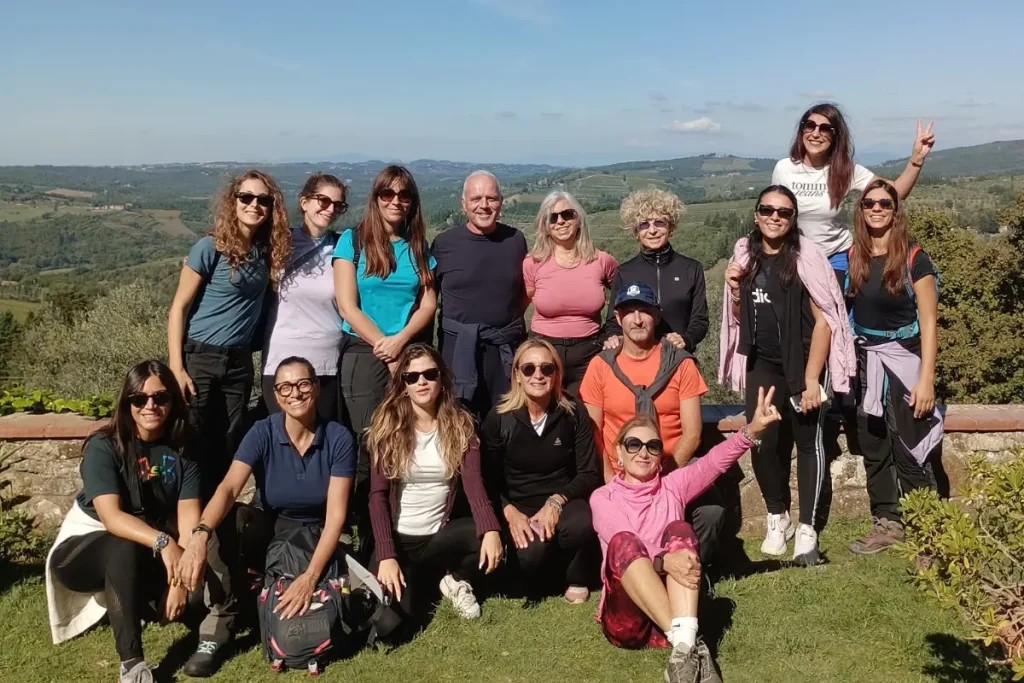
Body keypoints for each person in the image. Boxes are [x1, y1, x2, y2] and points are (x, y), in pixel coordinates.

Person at [46, 360, 235, 683]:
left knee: (191, 590)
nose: (151, 406)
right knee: (124, 547)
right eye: (139, 399)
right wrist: (165, 544)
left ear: (173, 401)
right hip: (84, 549)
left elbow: (189, 519)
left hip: (148, 547)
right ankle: (132, 665)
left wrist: (177, 584)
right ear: (127, 402)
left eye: (161, 398)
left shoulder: (184, 450)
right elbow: (112, 518)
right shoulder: (104, 446)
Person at [175, 356, 355, 670]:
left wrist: (309, 578)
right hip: (274, 529)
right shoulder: (263, 432)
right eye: (285, 386)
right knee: (228, 520)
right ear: (275, 394)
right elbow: (230, 488)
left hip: (318, 533)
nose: (294, 393)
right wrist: (200, 535)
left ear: (316, 387)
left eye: (302, 384)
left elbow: (336, 517)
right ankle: (221, 620)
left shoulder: (338, 438)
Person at [590, 390, 780, 683]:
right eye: (633, 444)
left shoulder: (673, 486)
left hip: (677, 611)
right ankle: (692, 645)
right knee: (623, 542)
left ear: (659, 456)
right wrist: (665, 560)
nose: (643, 452)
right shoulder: (603, 498)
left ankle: (682, 653)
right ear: (618, 452)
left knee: (681, 530)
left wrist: (752, 430)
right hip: (629, 623)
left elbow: (713, 462)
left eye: (652, 446)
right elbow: (622, 543)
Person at [719, 186, 855, 564]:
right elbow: (738, 314)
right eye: (768, 210)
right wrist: (733, 289)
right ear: (756, 213)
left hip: (804, 363)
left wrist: (812, 379)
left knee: (808, 443)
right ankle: (777, 516)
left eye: (784, 212)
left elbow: (826, 321)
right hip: (762, 363)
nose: (775, 217)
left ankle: (808, 527)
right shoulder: (744, 254)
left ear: (793, 218)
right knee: (760, 440)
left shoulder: (806, 257)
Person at [580, 282, 727, 567]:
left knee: (711, 511)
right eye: (629, 312)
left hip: (672, 465)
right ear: (618, 319)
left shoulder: (681, 364)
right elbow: (593, 432)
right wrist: (612, 477)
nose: (637, 319)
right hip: (619, 470)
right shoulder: (601, 366)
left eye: (644, 311)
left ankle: (694, 570)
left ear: (657, 317)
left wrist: (665, 478)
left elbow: (693, 433)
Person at [167, 169, 292, 499]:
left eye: (263, 200)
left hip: (238, 364)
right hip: (201, 357)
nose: (254, 205)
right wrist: (176, 367)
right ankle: (184, 523)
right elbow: (178, 307)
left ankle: (215, 527)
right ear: (232, 202)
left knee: (228, 444)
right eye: (246, 197)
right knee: (193, 443)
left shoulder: (267, 252)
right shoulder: (210, 248)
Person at [333, 164, 437, 556]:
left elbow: (429, 300)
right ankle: (367, 537)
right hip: (363, 353)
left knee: (406, 441)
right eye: (387, 194)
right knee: (368, 447)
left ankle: (402, 531)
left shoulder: (417, 245)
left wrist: (402, 343)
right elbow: (347, 304)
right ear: (375, 197)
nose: (396, 201)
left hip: (410, 353)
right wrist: (385, 347)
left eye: (404, 195)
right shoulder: (352, 241)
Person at [365, 344, 503, 627]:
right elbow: (377, 497)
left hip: (438, 537)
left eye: (430, 374)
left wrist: (490, 529)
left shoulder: (461, 424)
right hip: (399, 539)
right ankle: (424, 579)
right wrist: (386, 555)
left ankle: (456, 580)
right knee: (391, 626)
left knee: (490, 538)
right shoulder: (386, 426)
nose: (422, 382)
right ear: (402, 385)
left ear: (442, 379)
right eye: (412, 377)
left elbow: (474, 485)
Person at [843, 179, 945, 556]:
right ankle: (887, 522)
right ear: (861, 209)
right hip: (868, 361)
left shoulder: (915, 258)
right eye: (869, 203)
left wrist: (926, 379)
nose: (876, 209)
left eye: (885, 203)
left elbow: (930, 321)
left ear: (896, 210)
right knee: (874, 445)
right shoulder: (855, 255)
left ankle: (929, 532)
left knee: (911, 447)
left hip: (906, 362)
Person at [481, 339, 602, 603]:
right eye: (529, 369)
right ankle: (539, 573)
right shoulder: (499, 418)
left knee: (581, 523)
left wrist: (557, 501)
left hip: (562, 499)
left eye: (547, 369)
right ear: (517, 374)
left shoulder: (573, 413)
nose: (538, 375)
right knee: (531, 556)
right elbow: (488, 480)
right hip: (518, 504)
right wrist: (510, 513)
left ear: (557, 374)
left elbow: (589, 473)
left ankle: (576, 576)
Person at [772, 103, 936, 284]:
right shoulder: (784, 169)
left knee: (833, 312)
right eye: (810, 125)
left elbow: (896, 192)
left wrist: (916, 160)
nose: (816, 133)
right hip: (795, 258)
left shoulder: (846, 170)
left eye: (825, 128)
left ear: (835, 136)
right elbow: (774, 215)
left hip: (835, 258)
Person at [433, 170, 528, 418]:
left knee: (507, 425)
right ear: (463, 204)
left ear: (501, 203)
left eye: (491, 198)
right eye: (476, 199)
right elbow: (427, 300)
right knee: (459, 426)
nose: (484, 206)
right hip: (457, 354)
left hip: (506, 351)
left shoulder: (516, 241)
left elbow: (525, 293)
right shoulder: (444, 244)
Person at [261, 172, 348, 421]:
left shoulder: (344, 247)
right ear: (304, 203)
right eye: (323, 201)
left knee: (322, 444)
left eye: (338, 205)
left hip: (327, 362)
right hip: (280, 362)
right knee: (284, 443)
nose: (330, 209)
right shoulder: (278, 243)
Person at [523, 191, 617, 397]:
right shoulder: (532, 263)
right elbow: (523, 302)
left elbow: (623, 299)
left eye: (567, 215)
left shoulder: (602, 261)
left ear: (579, 220)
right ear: (545, 226)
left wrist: (614, 332)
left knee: (586, 418)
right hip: (543, 353)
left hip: (589, 353)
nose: (560, 221)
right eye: (553, 217)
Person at [604, 188, 707, 353]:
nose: (652, 230)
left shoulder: (691, 269)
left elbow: (700, 319)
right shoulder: (624, 272)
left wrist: (686, 340)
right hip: (636, 361)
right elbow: (612, 321)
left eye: (659, 222)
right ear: (636, 231)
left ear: (671, 227)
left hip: (679, 358)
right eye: (644, 224)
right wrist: (615, 337)